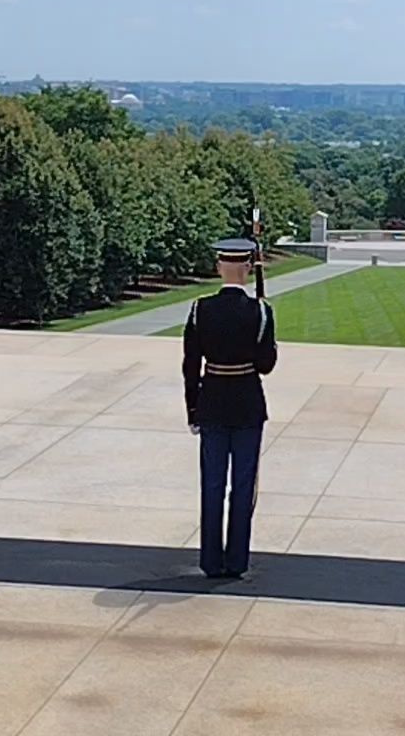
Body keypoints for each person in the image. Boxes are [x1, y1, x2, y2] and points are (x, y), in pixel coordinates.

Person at [182, 238, 277, 580]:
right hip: (249, 405)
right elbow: (266, 365)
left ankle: (211, 561)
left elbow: (191, 364)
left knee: (212, 485)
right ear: (249, 268)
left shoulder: (200, 309)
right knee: (242, 485)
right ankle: (237, 561)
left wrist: (193, 409)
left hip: (212, 405)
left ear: (219, 266)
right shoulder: (261, 312)